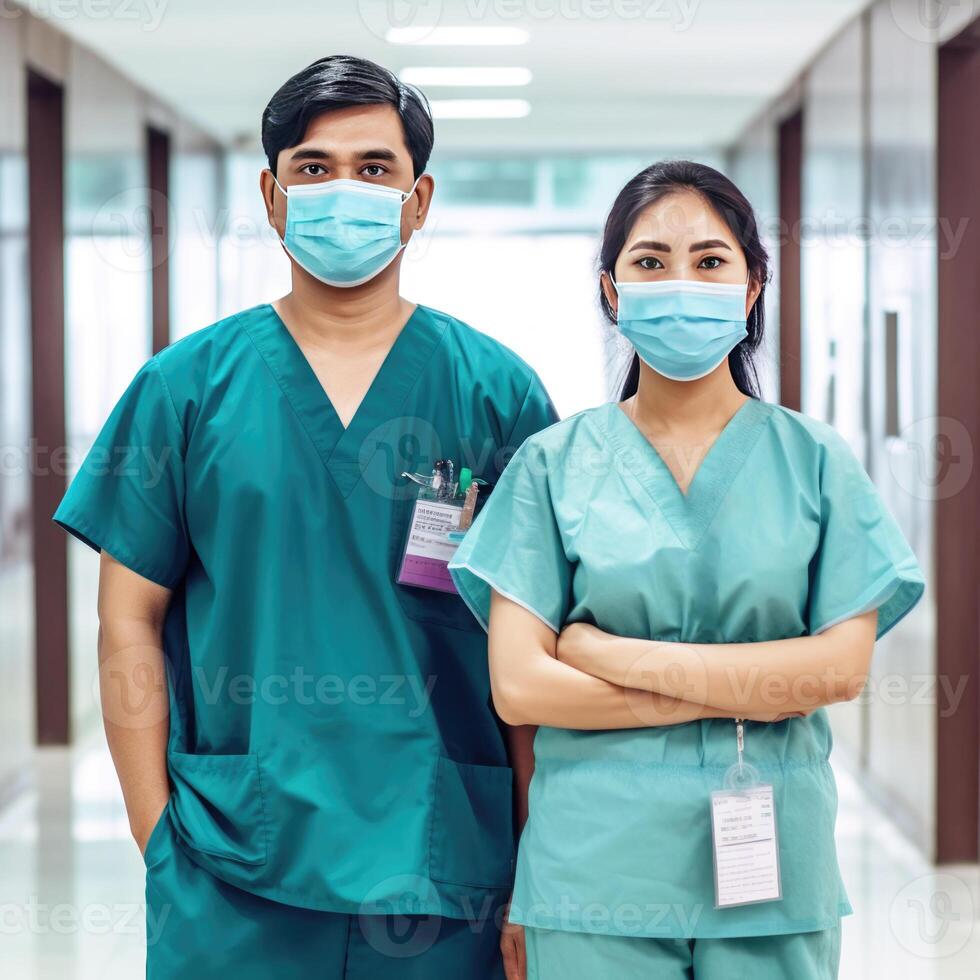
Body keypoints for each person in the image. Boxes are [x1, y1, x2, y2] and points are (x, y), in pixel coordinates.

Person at [54, 55, 556, 979]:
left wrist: (540, 868)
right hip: (232, 858)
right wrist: (154, 831)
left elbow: (532, 642)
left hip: (444, 863)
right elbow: (129, 616)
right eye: (313, 168)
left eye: (374, 168)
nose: (343, 191)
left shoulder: (494, 393)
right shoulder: (186, 388)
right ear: (271, 193)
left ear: (420, 197)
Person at [449, 159, 924, 980]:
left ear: (750, 288)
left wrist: (603, 655)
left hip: (770, 871)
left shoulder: (813, 461)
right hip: (594, 872)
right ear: (610, 291)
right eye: (650, 262)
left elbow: (837, 671)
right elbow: (522, 689)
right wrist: (748, 681)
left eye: (709, 261)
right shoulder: (553, 465)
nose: (680, 282)